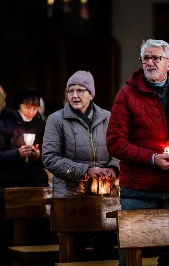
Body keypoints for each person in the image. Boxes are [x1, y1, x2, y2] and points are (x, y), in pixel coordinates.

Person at [106, 39, 169, 266]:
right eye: (146, 58)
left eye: (156, 58)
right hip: (138, 191)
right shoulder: (126, 95)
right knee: (131, 255)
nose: (150, 62)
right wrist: (153, 159)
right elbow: (114, 142)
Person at [42, 70, 119, 260]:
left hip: (104, 195)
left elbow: (120, 150)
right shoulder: (56, 119)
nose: (74, 95)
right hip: (71, 196)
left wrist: (114, 168)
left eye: (81, 90)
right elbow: (49, 158)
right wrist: (86, 170)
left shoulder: (108, 117)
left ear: (91, 93)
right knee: (76, 252)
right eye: (71, 91)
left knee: (106, 252)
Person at [0, 89, 48, 265]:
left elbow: (51, 156)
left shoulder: (41, 126)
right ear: (17, 106)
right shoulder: (2, 125)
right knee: (6, 235)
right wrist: (16, 154)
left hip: (35, 187)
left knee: (36, 234)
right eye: (27, 106)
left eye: (35, 107)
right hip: (8, 187)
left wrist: (38, 156)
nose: (31, 111)